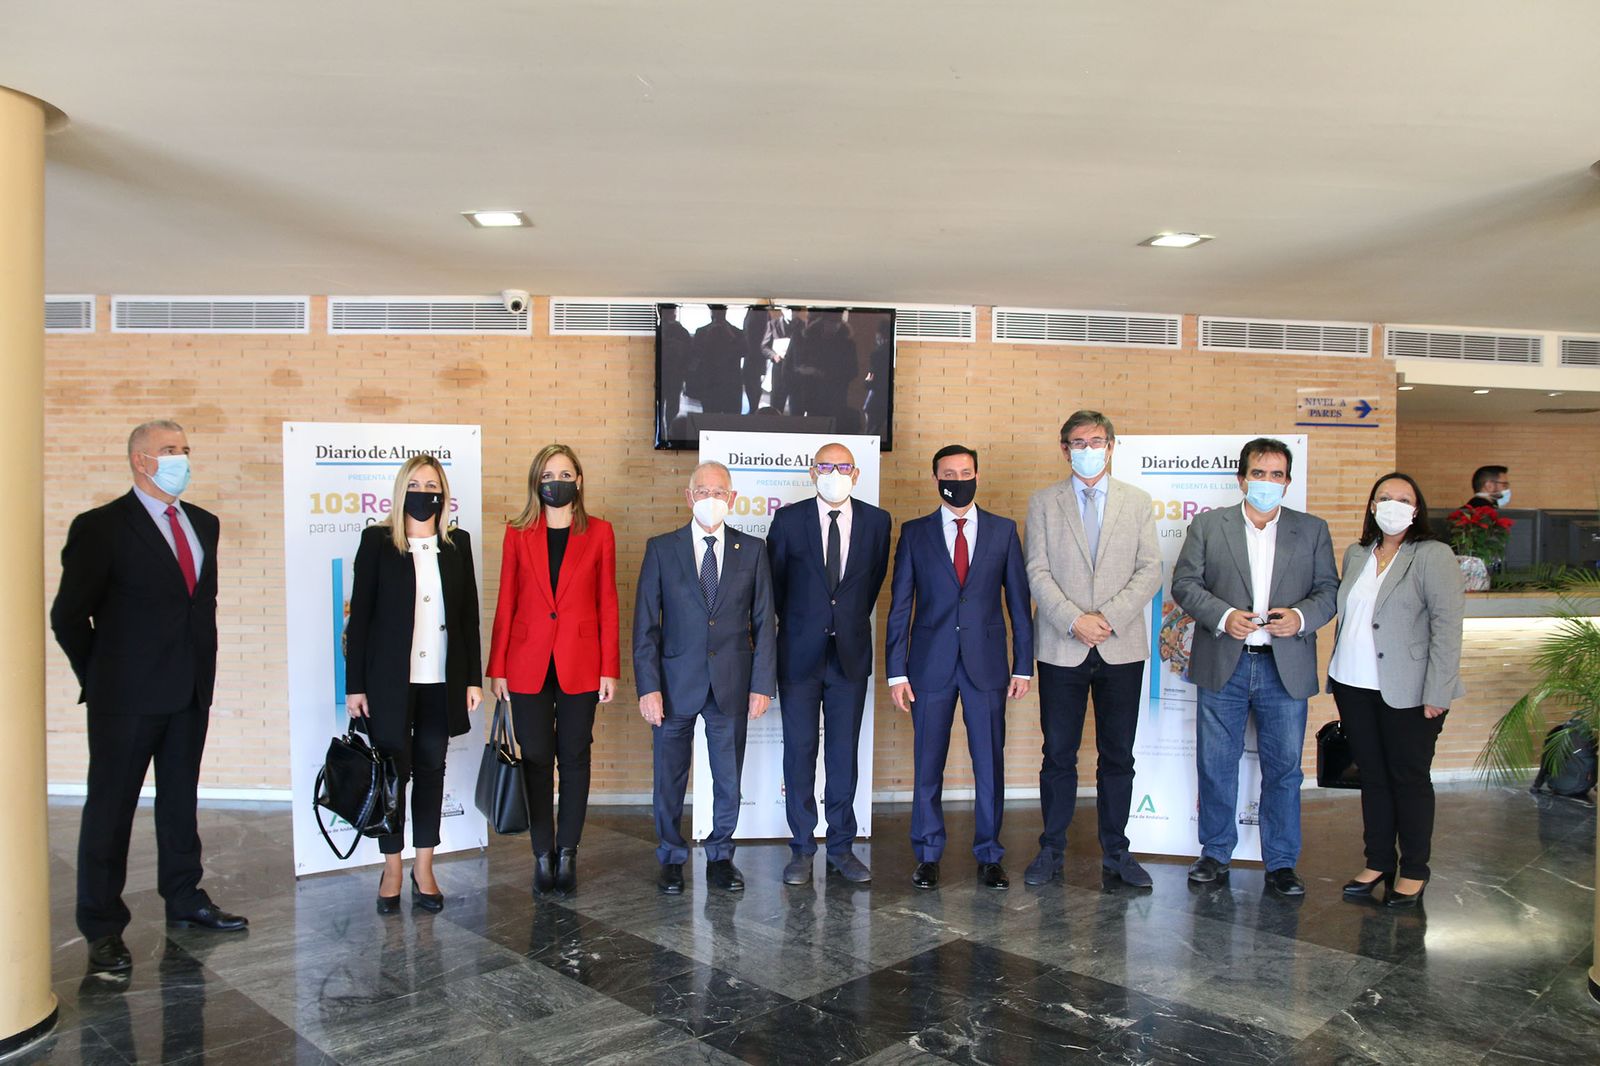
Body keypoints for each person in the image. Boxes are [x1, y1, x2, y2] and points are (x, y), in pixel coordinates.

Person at [52, 420, 247, 975]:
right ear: (141, 461)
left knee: (180, 801)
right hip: (125, 698)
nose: (180, 459)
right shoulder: (101, 527)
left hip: (189, 690)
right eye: (169, 451)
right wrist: (103, 676)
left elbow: (194, 607)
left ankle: (185, 900)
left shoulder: (203, 523)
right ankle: (102, 927)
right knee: (110, 810)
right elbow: (68, 615)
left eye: (185, 449)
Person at [1171, 438, 1337, 896]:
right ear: (1242, 478)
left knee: (1284, 769)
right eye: (1259, 474)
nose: (1268, 482)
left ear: (1288, 481)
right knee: (1216, 762)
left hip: (1284, 666)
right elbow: (1185, 584)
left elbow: (1328, 591)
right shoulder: (1208, 526)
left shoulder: (1313, 530)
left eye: (1277, 474)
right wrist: (1225, 616)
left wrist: (1300, 618)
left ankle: (1281, 862)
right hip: (1225, 658)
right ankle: (1215, 852)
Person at [1022, 412, 1162, 888]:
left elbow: (1150, 570)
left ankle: (1117, 852)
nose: (1087, 448)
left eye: (1095, 441)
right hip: (1062, 646)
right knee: (1057, 754)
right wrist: (1073, 619)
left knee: (1117, 755)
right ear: (1064, 449)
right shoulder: (1043, 503)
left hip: (1121, 647)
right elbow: (1036, 570)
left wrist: (1107, 619)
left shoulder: (1138, 502)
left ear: (1112, 445)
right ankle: (1052, 851)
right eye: (1077, 442)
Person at [886, 445, 1033, 890]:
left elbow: (1019, 605)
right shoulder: (914, 533)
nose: (958, 478)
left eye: (965, 471)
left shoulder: (1004, 532)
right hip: (928, 667)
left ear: (977, 475)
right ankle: (928, 854)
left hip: (987, 667)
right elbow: (900, 608)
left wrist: (1022, 665)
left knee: (989, 763)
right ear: (935, 479)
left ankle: (989, 854)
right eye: (949, 472)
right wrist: (897, 671)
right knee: (927, 763)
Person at [345, 455, 484, 915]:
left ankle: (424, 866)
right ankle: (392, 867)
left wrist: (471, 678)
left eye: (434, 484)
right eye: (417, 483)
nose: (426, 491)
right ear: (402, 490)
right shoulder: (378, 543)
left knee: (430, 770)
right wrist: (355, 685)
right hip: (389, 684)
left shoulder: (457, 543)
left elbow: (467, 618)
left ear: (443, 494)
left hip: (440, 682)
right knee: (391, 776)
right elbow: (359, 619)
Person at [634, 461, 776, 895]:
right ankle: (672, 859)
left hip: (731, 683)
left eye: (719, 492)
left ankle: (720, 856)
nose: (710, 499)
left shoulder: (752, 551)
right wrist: (648, 686)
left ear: (731, 499)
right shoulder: (662, 548)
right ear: (688, 496)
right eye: (703, 491)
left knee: (727, 777)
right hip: (674, 685)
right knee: (669, 776)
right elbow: (645, 625)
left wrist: (761, 684)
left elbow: (765, 621)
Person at [487, 444, 619, 896]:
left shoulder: (600, 533)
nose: (555, 481)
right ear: (536, 481)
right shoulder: (517, 533)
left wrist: (609, 668)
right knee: (538, 758)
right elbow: (506, 601)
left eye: (564, 473)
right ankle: (542, 854)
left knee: (575, 758)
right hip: (526, 664)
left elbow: (607, 603)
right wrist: (498, 667)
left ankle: (568, 852)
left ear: (579, 480)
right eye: (547, 474)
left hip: (582, 663)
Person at [1328, 472, 1465, 908]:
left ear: (1416, 508)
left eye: (1402, 498)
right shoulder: (1357, 554)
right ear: (1371, 506)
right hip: (1354, 686)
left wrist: (1438, 691)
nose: (1392, 504)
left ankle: (1415, 869)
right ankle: (1379, 860)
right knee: (1372, 777)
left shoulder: (1432, 555)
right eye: (1383, 497)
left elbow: (1447, 628)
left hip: (1411, 692)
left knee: (1408, 778)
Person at [767, 443, 892, 884]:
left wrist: (843, 619)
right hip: (799, 656)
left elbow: (871, 584)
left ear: (855, 474)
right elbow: (776, 587)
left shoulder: (878, 522)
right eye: (825, 466)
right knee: (799, 753)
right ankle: (801, 849)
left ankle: (841, 847)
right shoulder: (788, 520)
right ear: (811, 471)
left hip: (850, 657)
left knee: (843, 756)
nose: (833, 472)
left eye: (842, 466)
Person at [686, 305, 745, 416]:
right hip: (710, 386)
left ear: (725, 312)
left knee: (732, 421)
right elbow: (695, 356)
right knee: (710, 420)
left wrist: (730, 336)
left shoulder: (737, 333)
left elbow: (744, 351)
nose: (717, 314)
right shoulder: (702, 332)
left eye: (720, 312)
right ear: (711, 312)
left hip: (731, 386)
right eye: (715, 311)